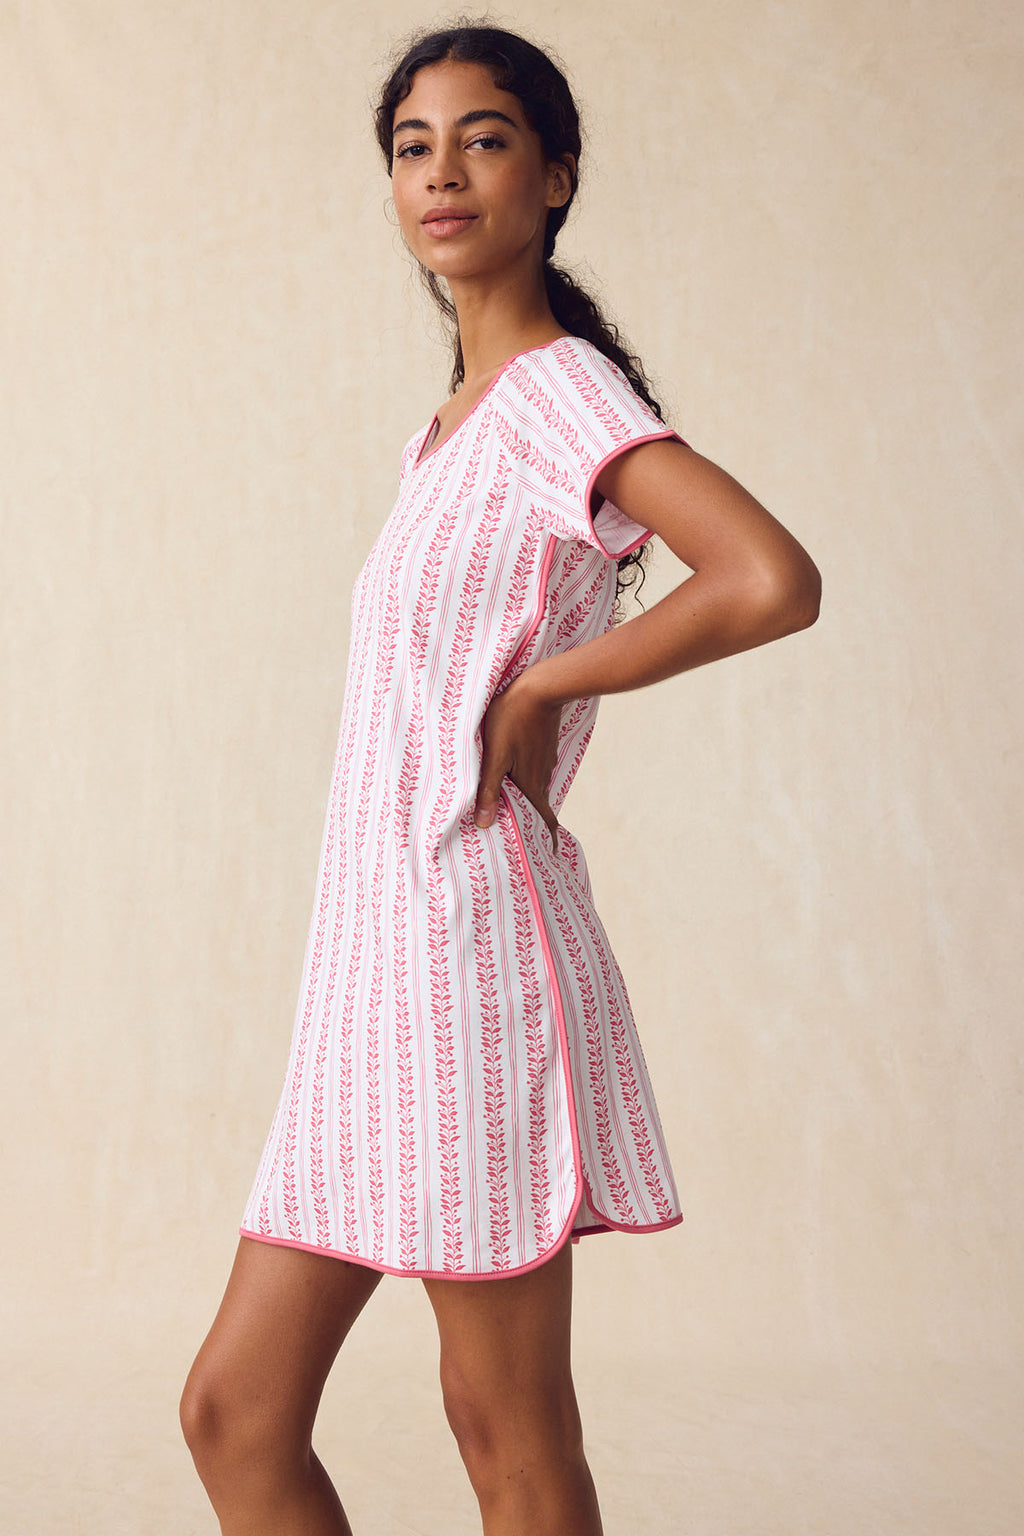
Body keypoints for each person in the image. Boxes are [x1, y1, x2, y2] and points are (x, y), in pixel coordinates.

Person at [179, 21, 821, 1536]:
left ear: (554, 179)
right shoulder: (446, 434)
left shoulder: (557, 395)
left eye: (484, 138)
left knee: (502, 1427)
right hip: (366, 973)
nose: (442, 172)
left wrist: (551, 679)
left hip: (471, 961)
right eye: (413, 146)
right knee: (231, 1413)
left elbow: (767, 578)